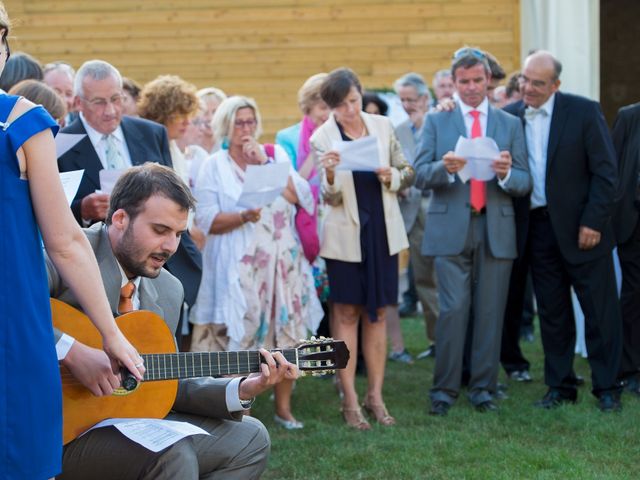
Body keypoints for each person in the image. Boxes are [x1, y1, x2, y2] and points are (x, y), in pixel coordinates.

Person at [49, 163, 297, 479]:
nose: (170, 247)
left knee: (250, 438)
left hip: (124, 421)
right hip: (49, 428)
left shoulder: (169, 289)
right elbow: (10, 308)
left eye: (178, 234)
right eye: (160, 230)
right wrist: (72, 351)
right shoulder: (68, 254)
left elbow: (164, 376)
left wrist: (243, 388)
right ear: (120, 218)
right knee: (170, 454)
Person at [0, 8, 141, 478]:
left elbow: (66, 243)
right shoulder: (18, 122)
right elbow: (65, 243)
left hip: (14, 332)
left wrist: (113, 332)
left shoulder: (18, 122)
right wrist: (111, 333)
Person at [414, 47, 530, 416]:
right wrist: (445, 168)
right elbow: (419, 174)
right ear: (454, 84)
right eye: (463, 81)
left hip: (495, 226)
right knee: (452, 309)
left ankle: (484, 387)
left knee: (491, 310)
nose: (470, 87)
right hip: (451, 227)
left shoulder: (509, 124)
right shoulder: (437, 121)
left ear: (488, 80)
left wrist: (506, 174)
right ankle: (444, 389)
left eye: (477, 80)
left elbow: (525, 181)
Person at [505, 51, 622, 412]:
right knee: (553, 313)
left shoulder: (584, 112)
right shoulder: (509, 116)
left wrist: (593, 222)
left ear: (556, 85)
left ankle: (607, 388)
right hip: (537, 229)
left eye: (538, 83)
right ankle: (560, 386)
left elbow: (606, 173)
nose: (528, 88)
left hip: (584, 228)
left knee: (599, 312)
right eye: (525, 79)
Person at [193, 96, 320, 428]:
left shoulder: (274, 155)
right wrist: (242, 216)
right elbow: (206, 220)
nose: (245, 129)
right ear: (225, 125)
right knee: (243, 333)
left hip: (283, 263)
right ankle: (240, 409)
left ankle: (284, 409)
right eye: (239, 122)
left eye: (250, 121)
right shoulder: (214, 165)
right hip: (243, 266)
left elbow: (300, 197)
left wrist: (264, 163)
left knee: (287, 333)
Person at [311, 68, 414, 429]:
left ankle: (376, 395)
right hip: (345, 237)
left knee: (379, 315)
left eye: (354, 101)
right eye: (341, 106)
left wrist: (393, 176)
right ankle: (350, 400)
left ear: (360, 95)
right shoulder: (323, 137)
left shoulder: (383, 126)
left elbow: (407, 170)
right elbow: (331, 197)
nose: (350, 111)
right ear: (331, 107)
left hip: (382, 232)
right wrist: (328, 175)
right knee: (347, 315)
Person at [275, 73, 331, 336]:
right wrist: (315, 148)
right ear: (308, 106)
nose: (327, 113)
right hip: (299, 224)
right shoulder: (287, 138)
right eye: (322, 107)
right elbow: (294, 183)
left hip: (332, 217)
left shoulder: (340, 135)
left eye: (332, 106)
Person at [393, 72, 439, 362]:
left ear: (425, 98)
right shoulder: (399, 130)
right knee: (424, 281)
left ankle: (456, 339)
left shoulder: (441, 122)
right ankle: (438, 340)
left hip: (440, 212)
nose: (408, 105)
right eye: (403, 100)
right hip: (412, 215)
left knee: (446, 281)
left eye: (412, 99)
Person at [611, 102, 640, 396]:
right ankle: (631, 368)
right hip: (635, 223)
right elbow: (612, 168)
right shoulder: (629, 117)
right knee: (634, 295)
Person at [198, 86, 227, 154]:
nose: (210, 118)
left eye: (215, 112)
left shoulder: (229, 145)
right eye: (205, 112)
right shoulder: (189, 145)